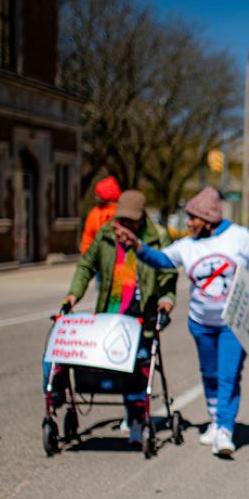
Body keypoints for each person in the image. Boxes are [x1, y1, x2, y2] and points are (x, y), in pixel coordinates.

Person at [118, 187, 249, 457]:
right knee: (209, 375)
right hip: (200, 322)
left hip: (232, 323)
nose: (187, 222)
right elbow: (161, 260)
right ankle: (215, 420)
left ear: (208, 218)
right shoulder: (187, 245)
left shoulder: (238, 237)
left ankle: (225, 430)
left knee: (228, 375)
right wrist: (137, 247)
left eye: (192, 217)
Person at [62, 190, 177, 446]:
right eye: (121, 221)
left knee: (137, 368)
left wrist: (166, 300)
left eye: (130, 222)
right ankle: (129, 413)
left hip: (142, 315)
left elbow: (168, 272)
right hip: (112, 312)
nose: (123, 227)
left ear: (141, 220)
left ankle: (136, 419)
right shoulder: (105, 235)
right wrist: (73, 295)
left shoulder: (156, 237)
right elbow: (86, 266)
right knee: (113, 366)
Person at [79, 176, 121, 254]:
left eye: (98, 194)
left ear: (106, 194)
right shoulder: (94, 213)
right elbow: (88, 237)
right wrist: (86, 255)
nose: (95, 197)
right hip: (97, 255)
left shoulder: (120, 212)